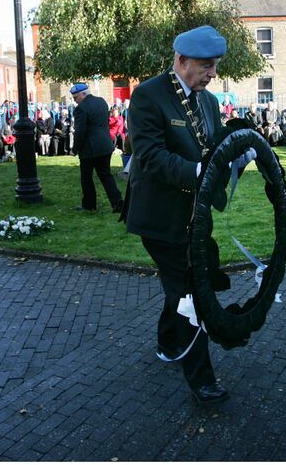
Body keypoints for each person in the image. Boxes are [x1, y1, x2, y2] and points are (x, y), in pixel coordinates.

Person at [121, 25, 251, 406]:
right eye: (206, 66)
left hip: (194, 215)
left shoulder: (207, 101)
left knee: (179, 287)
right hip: (159, 218)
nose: (212, 74)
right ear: (181, 60)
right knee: (192, 291)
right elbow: (149, 154)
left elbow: (213, 145)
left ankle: (166, 341)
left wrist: (236, 156)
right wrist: (198, 172)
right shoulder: (148, 95)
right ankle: (201, 379)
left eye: (214, 66)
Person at [70, 83, 123, 213]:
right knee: (106, 175)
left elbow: (80, 131)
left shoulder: (81, 108)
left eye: (76, 97)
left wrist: (75, 148)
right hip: (105, 144)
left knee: (86, 177)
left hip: (90, 148)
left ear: (84, 94)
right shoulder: (101, 102)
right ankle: (117, 202)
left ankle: (89, 205)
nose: (75, 100)